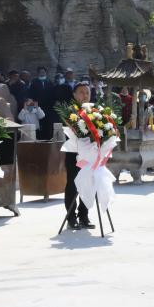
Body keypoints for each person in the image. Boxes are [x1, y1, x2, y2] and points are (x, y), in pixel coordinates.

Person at [63, 83, 96, 231]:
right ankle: (71, 217)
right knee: (73, 184)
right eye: (81, 92)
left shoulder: (95, 111)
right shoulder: (70, 111)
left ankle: (84, 215)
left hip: (91, 153)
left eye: (87, 93)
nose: (85, 95)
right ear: (74, 95)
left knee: (89, 183)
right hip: (74, 153)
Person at [28, 66, 56, 140]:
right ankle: (39, 137)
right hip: (38, 106)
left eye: (43, 72)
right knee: (38, 122)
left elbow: (53, 94)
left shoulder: (50, 82)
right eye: (40, 72)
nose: (42, 73)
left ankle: (48, 137)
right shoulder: (34, 82)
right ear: (38, 73)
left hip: (48, 107)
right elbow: (31, 94)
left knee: (48, 122)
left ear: (46, 73)